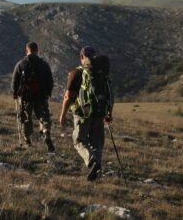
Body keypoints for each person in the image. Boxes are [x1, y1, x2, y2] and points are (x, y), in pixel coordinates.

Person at [59, 46, 114, 181]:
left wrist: (62, 115)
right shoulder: (102, 74)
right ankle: (97, 170)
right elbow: (110, 95)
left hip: (82, 113)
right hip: (100, 113)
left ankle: (91, 161)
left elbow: (68, 96)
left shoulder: (77, 72)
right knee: (97, 144)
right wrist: (109, 113)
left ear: (82, 57)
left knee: (79, 141)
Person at [11, 42, 55, 152]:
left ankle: (27, 141)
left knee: (26, 119)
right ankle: (46, 133)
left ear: (27, 50)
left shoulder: (21, 64)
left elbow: (14, 81)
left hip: (26, 97)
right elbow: (50, 80)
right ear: (37, 50)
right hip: (41, 96)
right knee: (44, 117)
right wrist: (48, 93)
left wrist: (15, 94)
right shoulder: (44, 64)